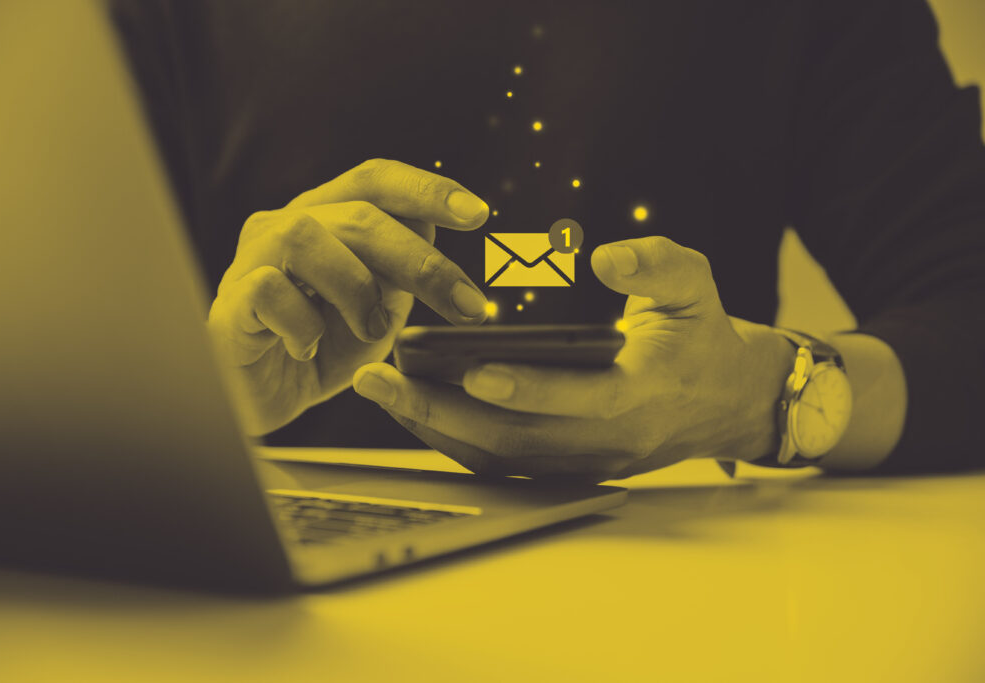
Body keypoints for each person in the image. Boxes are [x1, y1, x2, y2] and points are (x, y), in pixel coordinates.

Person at [110, 0, 985, 479]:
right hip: (268, 609)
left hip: (688, 597)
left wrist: (768, 398)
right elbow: (59, 356)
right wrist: (203, 403)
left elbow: (967, 303)